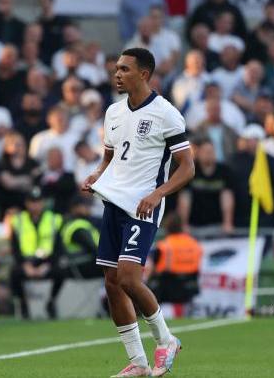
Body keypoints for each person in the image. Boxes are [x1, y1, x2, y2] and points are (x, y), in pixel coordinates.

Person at [83, 48, 194, 377]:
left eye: (124, 69)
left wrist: (157, 193)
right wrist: (95, 176)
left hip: (143, 205)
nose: (116, 74)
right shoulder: (114, 112)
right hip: (112, 203)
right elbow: (109, 159)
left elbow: (187, 168)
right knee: (112, 283)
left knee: (129, 278)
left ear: (144, 74)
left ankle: (166, 339)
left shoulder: (166, 113)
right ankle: (139, 363)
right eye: (116, 68)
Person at [10, 187, 64, 319]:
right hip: (27, 262)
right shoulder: (18, 221)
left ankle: (51, 301)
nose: (35, 205)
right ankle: (23, 305)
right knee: (14, 274)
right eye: (32, 201)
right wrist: (25, 266)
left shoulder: (54, 219)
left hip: (47, 261)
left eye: (38, 201)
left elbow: (58, 248)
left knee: (61, 272)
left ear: (43, 202)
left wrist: (47, 265)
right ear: (27, 203)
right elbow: (15, 249)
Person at [147, 213, 202, 315]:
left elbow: (152, 269)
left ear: (167, 228)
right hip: (189, 286)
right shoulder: (194, 243)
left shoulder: (163, 246)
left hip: (167, 288)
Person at [177, 137, 235, 233]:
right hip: (193, 226)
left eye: (211, 151)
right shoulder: (190, 171)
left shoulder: (224, 171)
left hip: (217, 225)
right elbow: (185, 198)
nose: (209, 154)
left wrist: (227, 223)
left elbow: (227, 198)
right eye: (205, 151)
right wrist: (183, 224)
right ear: (198, 153)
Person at [60, 196, 101, 279]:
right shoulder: (78, 226)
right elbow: (93, 248)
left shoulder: (79, 222)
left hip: (80, 263)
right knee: (114, 267)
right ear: (74, 208)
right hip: (80, 264)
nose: (87, 208)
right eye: (84, 205)